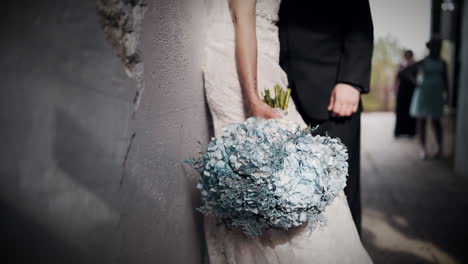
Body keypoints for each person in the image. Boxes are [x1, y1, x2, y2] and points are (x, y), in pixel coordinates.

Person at [202, 0, 373, 263]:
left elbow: (358, 14)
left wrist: (351, 78)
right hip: (275, 79)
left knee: (336, 191)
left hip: (329, 88)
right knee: (259, 184)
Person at [278, 0, 374, 235]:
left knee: (339, 195)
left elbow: (359, 20)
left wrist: (351, 80)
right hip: (280, 93)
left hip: (332, 93)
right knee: (290, 194)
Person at [409, 36, 448, 159]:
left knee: (436, 120)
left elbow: (446, 80)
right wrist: (415, 82)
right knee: (422, 120)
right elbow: (406, 71)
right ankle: (423, 149)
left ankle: (440, 148)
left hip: (436, 94)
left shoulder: (442, 62)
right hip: (424, 92)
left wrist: (448, 94)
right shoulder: (424, 61)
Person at [394, 50, 418, 137]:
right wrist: (395, 89)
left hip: (411, 91)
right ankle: (399, 131)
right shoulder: (401, 65)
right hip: (402, 91)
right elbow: (396, 77)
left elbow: (416, 78)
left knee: (410, 111)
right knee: (400, 110)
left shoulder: (415, 65)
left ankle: (410, 132)